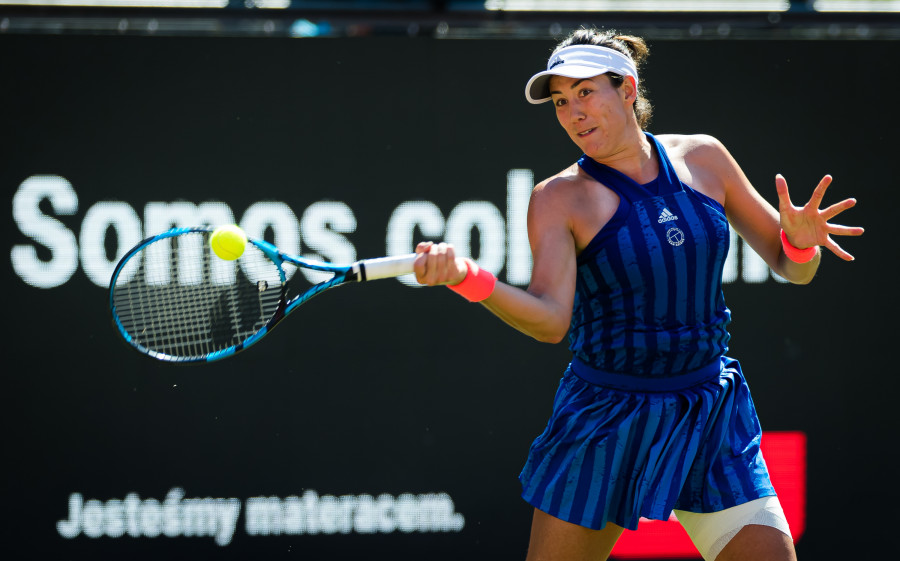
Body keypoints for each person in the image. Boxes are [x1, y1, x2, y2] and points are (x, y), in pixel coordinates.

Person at [413, 28, 863, 561]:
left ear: (627, 89)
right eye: (561, 101)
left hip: (709, 412)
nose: (573, 113)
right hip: (606, 418)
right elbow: (551, 320)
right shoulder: (559, 199)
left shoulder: (706, 159)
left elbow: (793, 268)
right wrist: (468, 277)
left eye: (585, 92)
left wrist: (802, 245)